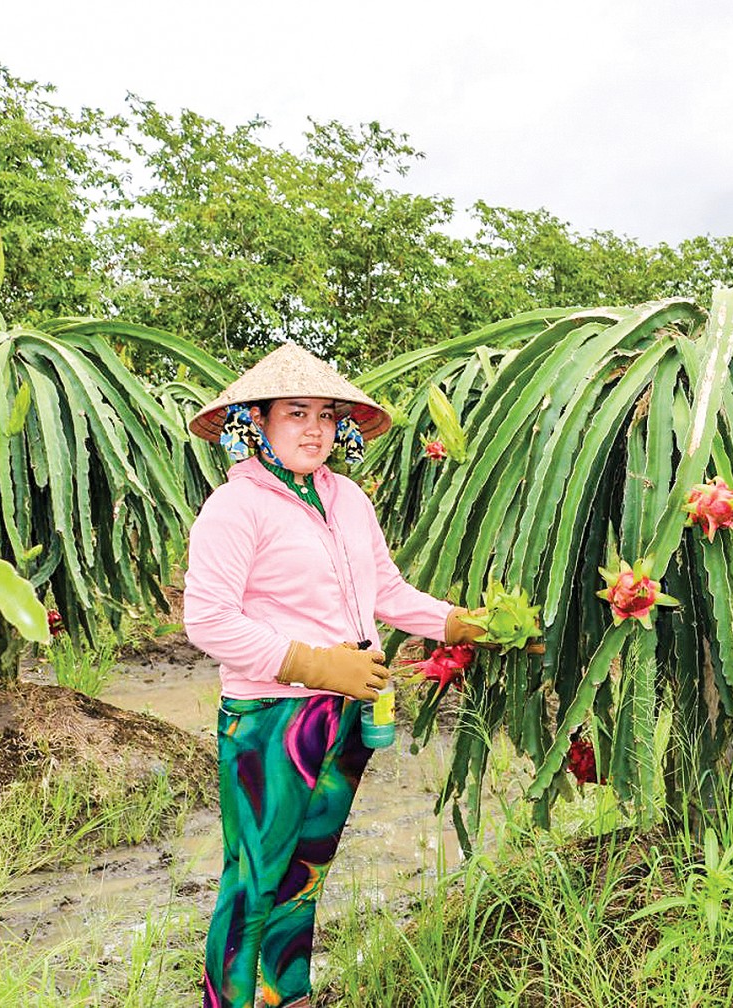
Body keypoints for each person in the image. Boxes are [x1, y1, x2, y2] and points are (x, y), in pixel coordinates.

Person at [183, 343, 487, 1008]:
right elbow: (207, 622)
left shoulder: (346, 498)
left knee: (306, 868)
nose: (315, 428)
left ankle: (286, 996)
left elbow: (387, 591)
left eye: (326, 414)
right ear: (255, 420)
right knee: (253, 880)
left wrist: (462, 623)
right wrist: (317, 664)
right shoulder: (235, 510)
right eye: (297, 413)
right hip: (272, 718)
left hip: (351, 710)